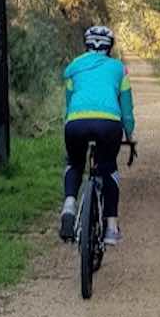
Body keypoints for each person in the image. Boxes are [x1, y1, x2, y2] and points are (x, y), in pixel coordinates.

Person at [59, 24, 135, 247]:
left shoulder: (74, 67)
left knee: (74, 162)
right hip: (108, 124)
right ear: (110, 47)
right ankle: (111, 228)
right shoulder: (119, 70)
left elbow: (69, 103)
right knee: (108, 167)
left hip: (76, 123)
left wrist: (71, 125)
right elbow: (127, 111)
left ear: (86, 45)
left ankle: (70, 204)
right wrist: (129, 134)